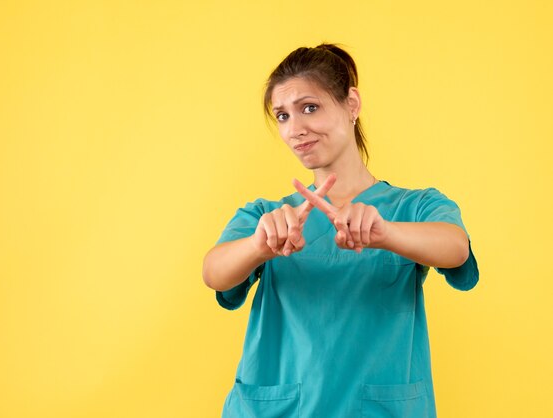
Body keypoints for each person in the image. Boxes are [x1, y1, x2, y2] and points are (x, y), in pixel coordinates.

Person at [202, 43, 479, 418]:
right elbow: (214, 273)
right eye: (282, 116)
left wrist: (385, 234)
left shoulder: (413, 207)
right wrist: (259, 245)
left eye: (309, 108)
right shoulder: (268, 216)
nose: (295, 129)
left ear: (352, 104)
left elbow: (456, 248)